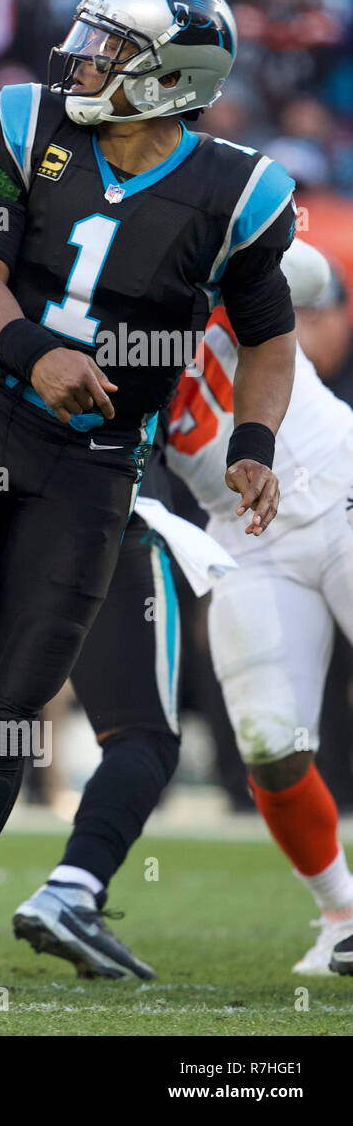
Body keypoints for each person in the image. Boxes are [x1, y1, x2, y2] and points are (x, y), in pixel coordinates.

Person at [0, 0, 296, 1009]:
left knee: (10, 710)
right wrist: (29, 347)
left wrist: (253, 441)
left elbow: (268, 339)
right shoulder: (28, 125)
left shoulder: (233, 190)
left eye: (113, 48)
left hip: (97, 467)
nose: (84, 58)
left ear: (167, 77)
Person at [163, 238, 353, 977]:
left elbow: (307, 273)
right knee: (270, 741)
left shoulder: (187, 230)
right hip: (243, 529)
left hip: (334, 481)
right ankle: (340, 912)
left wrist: (232, 258)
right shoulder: (77, 323)